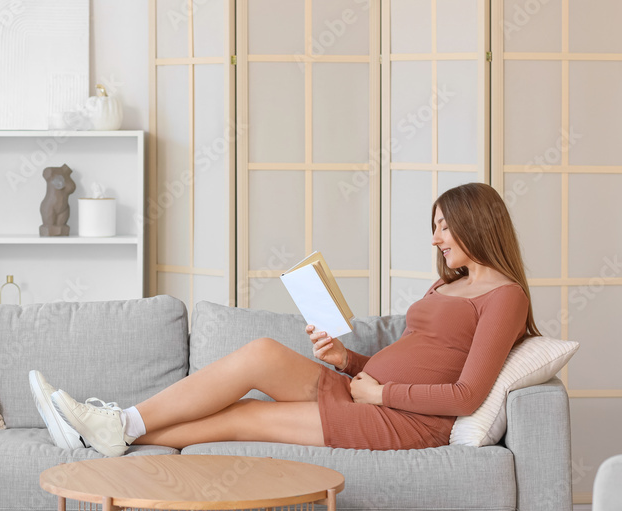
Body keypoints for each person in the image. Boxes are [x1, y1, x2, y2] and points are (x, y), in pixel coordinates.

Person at [30, 182, 542, 457]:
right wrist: (350, 360)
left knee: (242, 417)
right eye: (434, 228)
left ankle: (104, 433)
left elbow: (467, 396)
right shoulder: (447, 285)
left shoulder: (505, 297)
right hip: (363, 391)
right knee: (261, 354)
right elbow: (418, 355)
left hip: (404, 419)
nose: (435, 239)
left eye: (443, 227)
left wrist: (378, 394)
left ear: (476, 223)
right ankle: (119, 424)